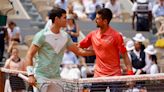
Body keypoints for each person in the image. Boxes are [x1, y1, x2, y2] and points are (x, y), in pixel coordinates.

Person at [25, 7, 94, 92]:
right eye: (64, 18)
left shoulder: (65, 36)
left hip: (56, 78)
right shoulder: (42, 35)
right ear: (56, 19)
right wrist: (30, 75)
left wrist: (97, 52)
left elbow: (79, 51)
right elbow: (29, 54)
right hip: (41, 77)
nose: (67, 20)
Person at [79, 8, 133, 92]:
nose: (95, 20)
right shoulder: (92, 35)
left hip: (115, 76)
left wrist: (130, 74)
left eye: (97, 19)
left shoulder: (116, 36)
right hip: (99, 76)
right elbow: (79, 46)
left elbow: (125, 55)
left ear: (105, 21)